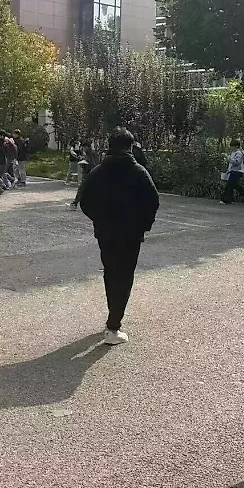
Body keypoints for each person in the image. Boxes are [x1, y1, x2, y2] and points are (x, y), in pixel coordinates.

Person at [79, 127, 160, 345]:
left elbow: (85, 201)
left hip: (105, 233)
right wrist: (143, 225)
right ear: (130, 146)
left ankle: (112, 317)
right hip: (131, 234)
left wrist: (99, 219)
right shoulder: (138, 172)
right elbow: (153, 201)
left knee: (111, 272)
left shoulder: (98, 172)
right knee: (124, 276)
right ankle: (113, 326)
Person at [220, 139, 244, 205]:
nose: (231, 148)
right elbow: (231, 164)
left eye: (233, 146)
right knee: (235, 185)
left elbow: (237, 162)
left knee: (230, 185)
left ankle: (225, 199)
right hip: (233, 171)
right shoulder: (233, 153)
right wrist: (228, 170)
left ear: (236, 146)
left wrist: (229, 159)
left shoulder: (239, 153)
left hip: (237, 171)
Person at [70, 139, 97, 209]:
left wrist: (85, 163)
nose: (84, 149)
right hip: (91, 174)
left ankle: (75, 203)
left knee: (82, 189)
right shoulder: (90, 152)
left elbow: (92, 164)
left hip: (89, 174)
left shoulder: (90, 153)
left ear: (87, 147)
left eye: (84, 147)